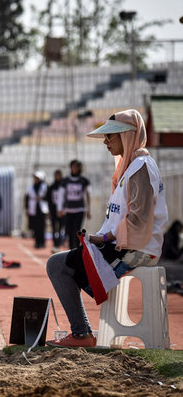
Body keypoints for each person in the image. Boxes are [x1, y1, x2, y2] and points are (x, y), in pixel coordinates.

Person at [46, 109, 168, 347]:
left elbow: (139, 220)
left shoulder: (140, 167)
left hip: (136, 249)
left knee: (58, 265)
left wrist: (104, 239)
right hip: (127, 244)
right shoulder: (130, 166)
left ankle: (81, 334)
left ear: (127, 136)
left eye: (110, 137)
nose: (105, 142)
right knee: (66, 259)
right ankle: (82, 332)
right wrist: (98, 237)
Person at [58, 159, 91, 250]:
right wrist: (60, 209)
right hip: (68, 210)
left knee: (76, 230)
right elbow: (61, 196)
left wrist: (88, 209)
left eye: (76, 167)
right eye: (73, 167)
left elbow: (88, 195)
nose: (74, 169)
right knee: (69, 230)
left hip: (79, 209)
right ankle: (71, 247)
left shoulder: (84, 181)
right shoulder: (65, 181)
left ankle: (76, 248)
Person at [25, 171, 48, 248]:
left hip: (42, 209)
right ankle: (37, 242)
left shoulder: (44, 187)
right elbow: (27, 198)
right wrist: (27, 208)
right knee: (35, 227)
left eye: (37, 178)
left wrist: (42, 198)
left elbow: (48, 197)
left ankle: (42, 242)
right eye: (35, 178)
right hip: (33, 209)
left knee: (42, 226)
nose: (35, 179)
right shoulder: (31, 187)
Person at [47, 169, 66, 253]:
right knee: (55, 228)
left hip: (63, 211)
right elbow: (49, 200)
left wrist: (64, 209)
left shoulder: (64, 186)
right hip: (54, 211)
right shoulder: (51, 187)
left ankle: (61, 242)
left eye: (59, 175)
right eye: (56, 175)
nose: (57, 177)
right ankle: (55, 245)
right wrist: (50, 211)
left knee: (62, 228)